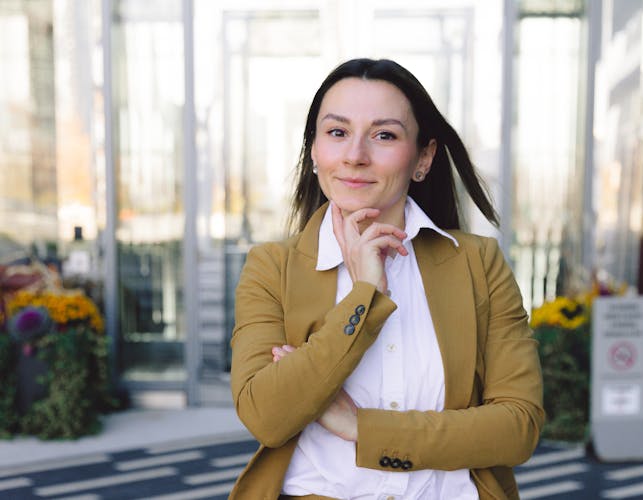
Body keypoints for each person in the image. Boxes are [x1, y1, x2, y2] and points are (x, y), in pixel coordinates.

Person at [230, 58, 544, 500]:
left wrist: (363, 428)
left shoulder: (478, 263)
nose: (355, 155)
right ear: (314, 152)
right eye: (337, 132)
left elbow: (518, 426)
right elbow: (265, 414)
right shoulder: (271, 268)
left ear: (424, 158)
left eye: (384, 135)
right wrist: (364, 297)